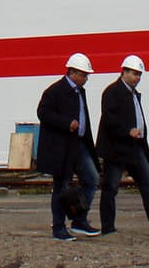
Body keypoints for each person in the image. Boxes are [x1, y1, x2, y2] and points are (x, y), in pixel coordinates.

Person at [97, 55, 149, 234]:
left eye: (139, 75)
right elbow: (109, 120)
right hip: (116, 150)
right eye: (134, 73)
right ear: (124, 72)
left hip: (134, 148)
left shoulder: (133, 94)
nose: (137, 78)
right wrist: (127, 130)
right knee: (110, 187)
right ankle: (107, 226)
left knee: (147, 183)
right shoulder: (112, 92)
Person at [36, 52, 101, 240]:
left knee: (92, 178)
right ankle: (58, 227)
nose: (86, 78)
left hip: (79, 144)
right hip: (62, 148)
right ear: (72, 73)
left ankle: (79, 220)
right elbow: (43, 113)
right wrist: (66, 123)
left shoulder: (80, 91)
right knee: (61, 187)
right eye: (84, 75)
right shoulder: (55, 91)